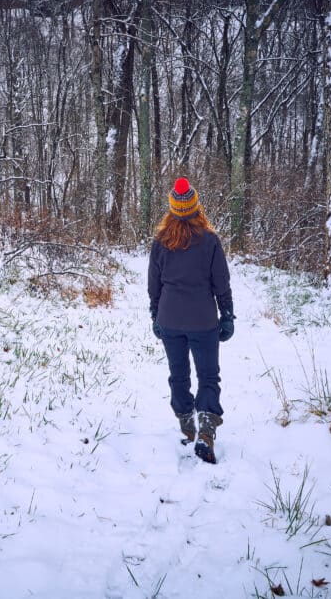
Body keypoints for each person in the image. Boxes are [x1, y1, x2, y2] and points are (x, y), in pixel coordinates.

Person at [148, 177, 234, 464]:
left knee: (179, 374)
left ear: (172, 210)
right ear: (196, 207)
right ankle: (206, 430)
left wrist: (155, 314)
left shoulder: (161, 242)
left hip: (170, 318)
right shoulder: (209, 241)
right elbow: (221, 283)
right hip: (203, 321)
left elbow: (154, 284)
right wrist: (227, 315)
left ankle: (187, 426)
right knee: (208, 375)